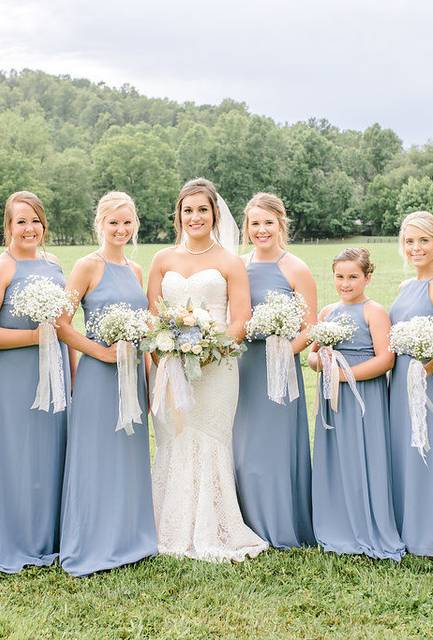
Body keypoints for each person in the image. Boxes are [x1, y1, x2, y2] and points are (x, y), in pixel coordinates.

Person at [146, 178, 269, 562]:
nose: (195, 217)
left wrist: (205, 352)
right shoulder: (162, 260)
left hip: (217, 368)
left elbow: (241, 319)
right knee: (173, 437)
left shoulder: (229, 262)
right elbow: (152, 318)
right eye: (188, 210)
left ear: (215, 214)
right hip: (169, 366)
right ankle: (167, 526)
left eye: (202, 209)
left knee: (209, 438)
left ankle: (214, 526)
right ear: (178, 215)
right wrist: (169, 353)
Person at [56, 192, 157, 576]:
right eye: (114, 222)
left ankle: (130, 539)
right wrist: (99, 354)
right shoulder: (86, 266)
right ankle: (93, 541)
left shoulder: (135, 270)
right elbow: (61, 324)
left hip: (133, 375)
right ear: (100, 224)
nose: (121, 229)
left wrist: (147, 377)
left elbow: (146, 330)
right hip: (100, 376)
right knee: (96, 457)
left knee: (128, 458)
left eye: (127, 222)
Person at [0, 191, 70, 573]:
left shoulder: (54, 264)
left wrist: (71, 370)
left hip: (55, 371)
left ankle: (51, 536)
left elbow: (64, 325)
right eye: (21, 221)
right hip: (14, 376)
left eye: (36, 220)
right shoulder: (0, 269)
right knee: (15, 458)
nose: (30, 228)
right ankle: (14, 539)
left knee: (50, 454)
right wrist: (32, 338)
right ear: (8, 227)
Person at [232, 192, 317, 549]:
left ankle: (281, 524)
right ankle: (245, 522)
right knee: (244, 446)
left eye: (269, 222)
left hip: (280, 372)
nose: (262, 230)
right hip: (244, 367)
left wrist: (283, 357)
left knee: (276, 448)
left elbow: (310, 327)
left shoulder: (295, 268)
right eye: (255, 223)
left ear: (281, 224)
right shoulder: (238, 266)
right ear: (246, 227)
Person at [308, 248, 405, 560]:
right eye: (340, 276)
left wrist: (343, 374)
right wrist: (320, 362)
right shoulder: (326, 313)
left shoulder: (373, 311)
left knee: (365, 457)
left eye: (353, 277)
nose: (346, 283)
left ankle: (367, 524)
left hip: (364, 396)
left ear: (367, 278)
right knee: (336, 459)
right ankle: (337, 523)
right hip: (333, 397)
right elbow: (311, 356)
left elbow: (386, 359)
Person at [388, 211, 433, 556]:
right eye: (409, 242)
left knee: (424, 452)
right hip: (396, 382)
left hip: (424, 383)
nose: (416, 248)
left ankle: (429, 536)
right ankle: (403, 526)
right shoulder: (405, 286)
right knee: (401, 452)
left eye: (423, 241)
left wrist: (423, 371)